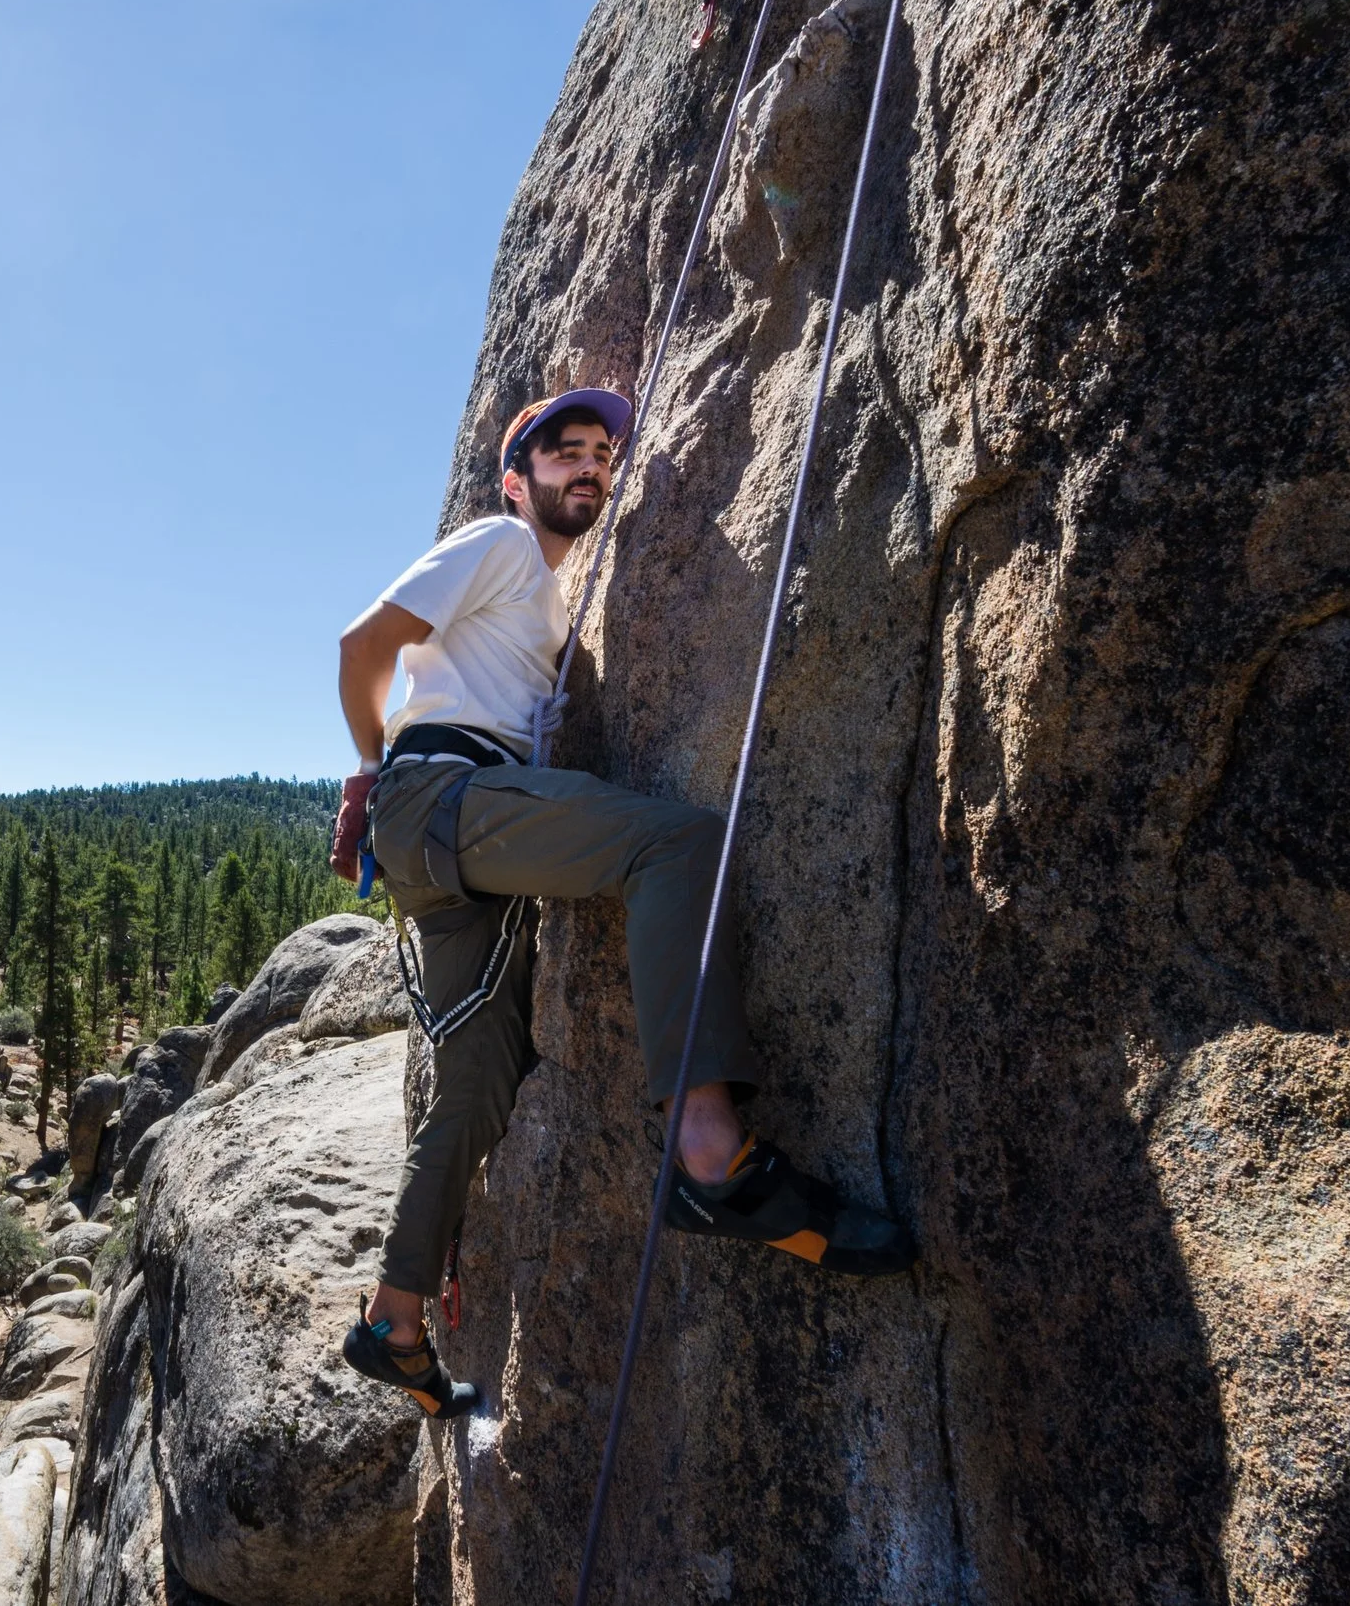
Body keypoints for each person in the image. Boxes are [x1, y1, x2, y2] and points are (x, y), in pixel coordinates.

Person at [329, 389, 915, 1421]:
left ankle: (395, 1320)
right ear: (516, 480)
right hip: (440, 799)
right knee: (674, 842)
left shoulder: (545, 607)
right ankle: (709, 1151)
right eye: (564, 451)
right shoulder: (501, 543)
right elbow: (361, 645)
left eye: (601, 453)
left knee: (478, 1083)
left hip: (454, 836)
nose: (589, 465)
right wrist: (373, 773)